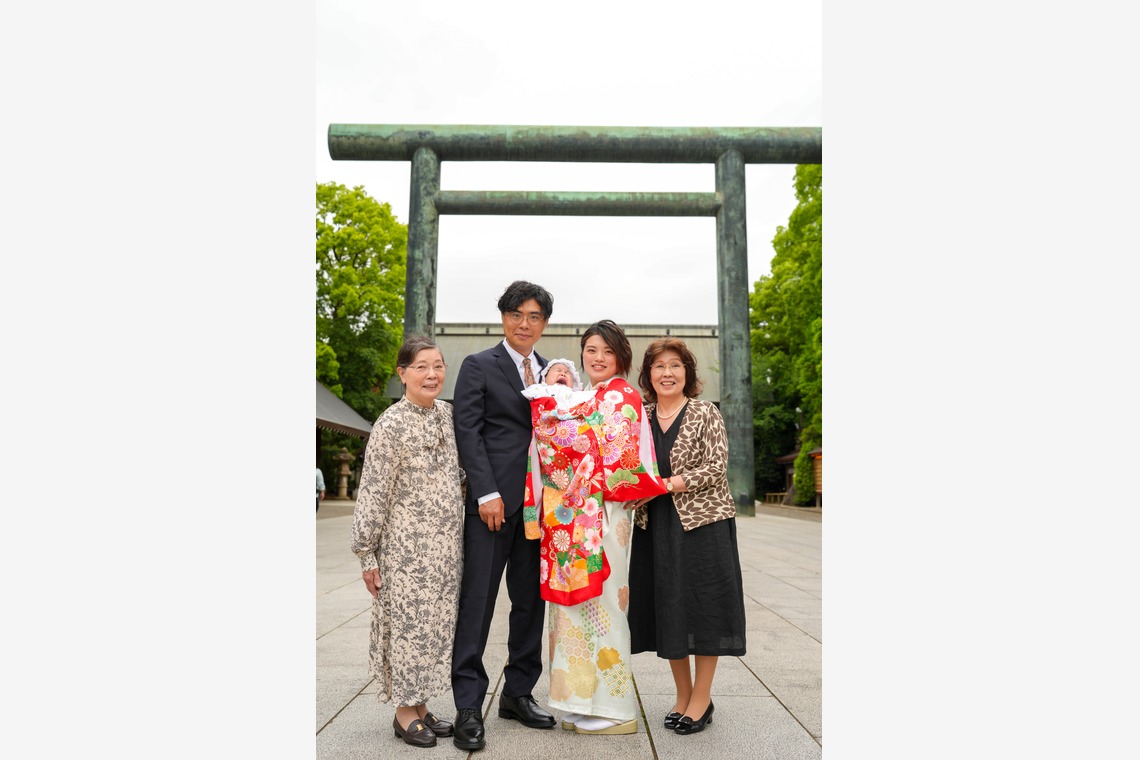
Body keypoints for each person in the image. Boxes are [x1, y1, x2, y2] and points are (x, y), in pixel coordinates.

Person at [450, 280, 558, 751]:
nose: (524, 323)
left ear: (544, 324)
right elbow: (467, 431)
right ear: (503, 317)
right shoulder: (479, 366)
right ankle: (469, 705)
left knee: (530, 603)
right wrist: (486, 492)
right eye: (517, 314)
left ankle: (517, 692)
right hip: (493, 507)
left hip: (539, 508)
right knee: (478, 602)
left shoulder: (553, 371)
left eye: (534, 316)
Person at [546, 320, 666, 736]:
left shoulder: (622, 395)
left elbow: (617, 458)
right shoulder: (590, 395)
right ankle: (582, 699)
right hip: (579, 518)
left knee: (607, 604)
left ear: (620, 358)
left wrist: (571, 435)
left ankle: (616, 708)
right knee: (575, 608)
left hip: (607, 515)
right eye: (591, 350)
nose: (597, 358)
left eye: (607, 352)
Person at [627, 337, 747, 735]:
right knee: (667, 607)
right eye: (659, 366)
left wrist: (666, 484)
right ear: (648, 376)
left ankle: (702, 698)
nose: (667, 373)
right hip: (655, 526)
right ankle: (683, 695)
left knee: (705, 607)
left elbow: (716, 466)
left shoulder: (704, 413)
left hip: (702, 525)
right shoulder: (639, 416)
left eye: (675, 365)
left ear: (687, 373)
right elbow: (626, 466)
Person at [350, 336, 465, 749]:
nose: (431, 374)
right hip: (405, 550)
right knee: (406, 627)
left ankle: (420, 704)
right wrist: (367, 554)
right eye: (421, 366)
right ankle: (403, 711)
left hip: (446, 550)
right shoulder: (390, 424)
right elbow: (373, 492)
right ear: (402, 373)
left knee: (435, 628)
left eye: (437, 365)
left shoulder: (448, 417)